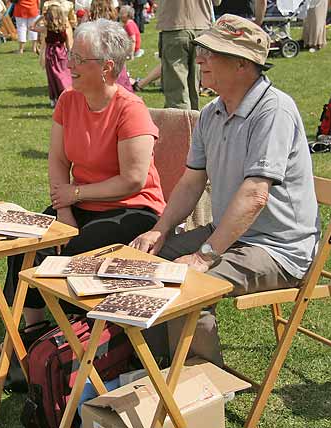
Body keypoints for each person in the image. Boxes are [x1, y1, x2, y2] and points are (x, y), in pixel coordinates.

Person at [131, 14, 320, 367]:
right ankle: (152, 364)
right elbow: (191, 182)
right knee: (147, 261)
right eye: (201, 50)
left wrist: (203, 256)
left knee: (186, 284)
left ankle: (200, 385)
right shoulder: (211, 112)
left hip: (279, 249)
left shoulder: (274, 111)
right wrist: (160, 228)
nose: (199, 58)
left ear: (241, 65)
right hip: (232, 235)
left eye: (211, 52)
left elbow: (254, 196)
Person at [3, 18, 166, 336]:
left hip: (132, 209)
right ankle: (34, 329)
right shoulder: (69, 100)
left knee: (73, 254)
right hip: (78, 202)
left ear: (107, 67)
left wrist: (75, 196)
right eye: (70, 56)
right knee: (27, 245)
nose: (69, 63)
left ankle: (79, 332)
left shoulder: (130, 109)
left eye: (78, 59)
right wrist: (64, 209)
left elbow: (132, 180)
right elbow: (58, 158)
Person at [156, 0, 222, 110]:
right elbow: (217, 2)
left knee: (176, 89)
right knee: (194, 85)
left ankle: (182, 124)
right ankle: (193, 122)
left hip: (174, 25)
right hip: (201, 26)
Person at [31, 4, 72, 107]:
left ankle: (56, 97)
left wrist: (40, 17)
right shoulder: (64, 27)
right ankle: (64, 94)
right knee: (63, 75)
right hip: (62, 53)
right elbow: (68, 44)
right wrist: (70, 54)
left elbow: (31, 27)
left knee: (53, 76)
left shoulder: (46, 29)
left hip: (50, 54)